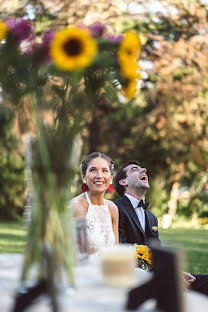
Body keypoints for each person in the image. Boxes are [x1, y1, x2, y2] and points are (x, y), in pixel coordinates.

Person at [114, 160, 208, 296]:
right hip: (134, 280)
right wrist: (168, 280)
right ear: (123, 182)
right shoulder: (116, 209)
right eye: (135, 169)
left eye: (142, 168)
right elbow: (121, 252)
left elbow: (156, 254)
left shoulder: (152, 217)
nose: (144, 170)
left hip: (159, 276)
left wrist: (174, 273)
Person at [71, 152, 119, 255]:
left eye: (104, 171)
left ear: (111, 178)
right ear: (83, 176)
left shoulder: (112, 208)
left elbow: (116, 251)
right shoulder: (76, 206)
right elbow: (74, 255)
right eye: (93, 170)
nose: (99, 175)